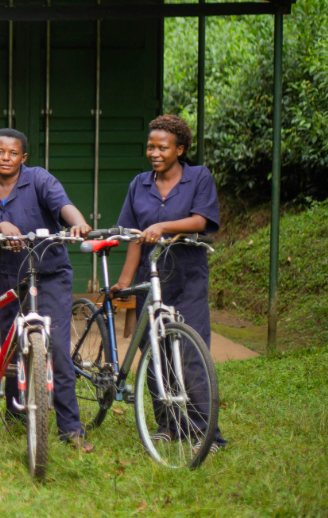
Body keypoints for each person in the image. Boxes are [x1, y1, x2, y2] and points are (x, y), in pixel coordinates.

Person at [0, 128, 94, 453]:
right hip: (10, 275)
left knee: (55, 348)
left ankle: (71, 428)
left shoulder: (39, 179)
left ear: (23, 157)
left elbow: (64, 206)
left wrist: (78, 223)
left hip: (49, 273)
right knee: (11, 344)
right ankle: (16, 415)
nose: (6, 158)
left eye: (13, 153)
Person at [110, 114, 226, 453]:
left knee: (190, 354)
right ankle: (167, 426)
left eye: (163, 147)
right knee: (154, 351)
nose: (155, 153)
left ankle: (205, 433)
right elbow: (134, 237)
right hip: (153, 275)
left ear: (181, 149)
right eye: (150, 147)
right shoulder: (139, 184)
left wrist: (163, 226)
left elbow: (201, 220)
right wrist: (125, 283)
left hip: (187, 275)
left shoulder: (199, 178)